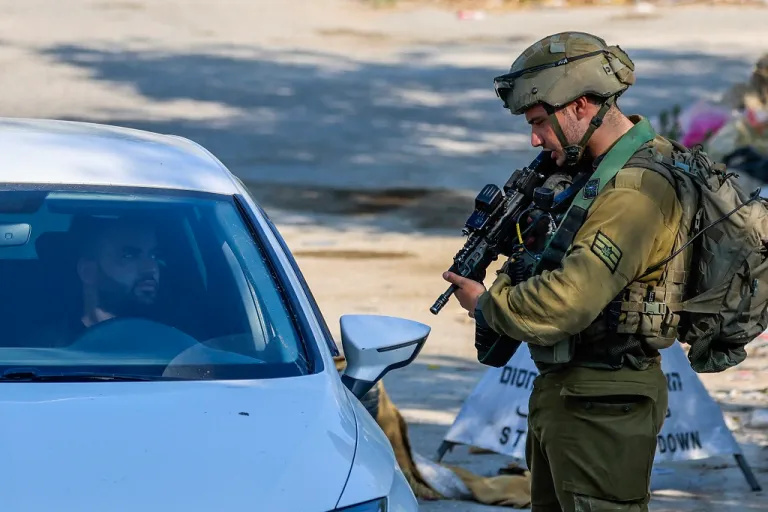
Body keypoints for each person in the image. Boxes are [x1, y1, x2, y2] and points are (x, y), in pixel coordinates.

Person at [442, 32, 685, 511]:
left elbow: (569, 299)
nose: (534, 138)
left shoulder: (633, 191)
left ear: (580, 106)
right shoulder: (595, 174)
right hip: (573, 392)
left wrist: (488, 305)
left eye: (539, 122)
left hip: (604, 402)